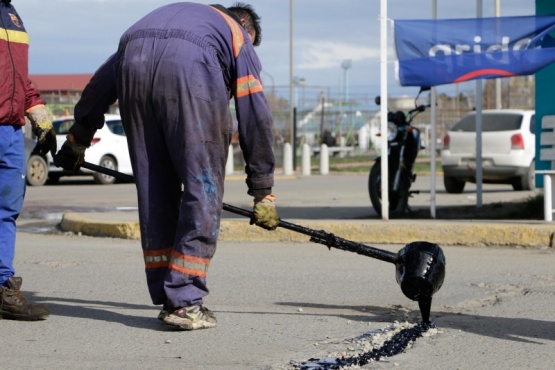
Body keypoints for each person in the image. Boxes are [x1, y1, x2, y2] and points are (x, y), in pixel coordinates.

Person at [54, 2, 279, 331]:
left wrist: (78, 137)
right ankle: (184, 300)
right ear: (245, 24)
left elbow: (102, 84)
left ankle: (169, 291)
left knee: (155, 188)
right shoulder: (237, 34)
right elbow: (254, 114)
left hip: (134, 59)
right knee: (204, 187)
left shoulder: (161, 21)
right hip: (191, 75)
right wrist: (263, 190)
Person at [0, 0, 54, 321]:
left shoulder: (13, 16)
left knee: (6, 211)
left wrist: (41, 118)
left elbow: (18, 79)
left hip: (10, 133)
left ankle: (3, 287)